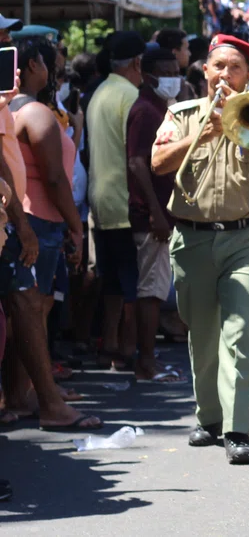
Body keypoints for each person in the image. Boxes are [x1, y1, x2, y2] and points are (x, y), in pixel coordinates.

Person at [151, 34, 249, 464]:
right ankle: (208, 417)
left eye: (235, 68)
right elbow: (157, 163)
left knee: (239, 331)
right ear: (204, 71)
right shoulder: (180, 114)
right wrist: (205, 131)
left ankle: (237, 430)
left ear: (248, 75)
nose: (225, 75)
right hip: (193, 238)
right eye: (219, 66)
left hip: (244, 238)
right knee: (203, 335)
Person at [0, 41, 97, 431]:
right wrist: (73, 226)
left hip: (22, 223)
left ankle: (27, 397)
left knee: (28, 309)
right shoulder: (34, 112)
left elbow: (6, 164)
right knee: (29, 309)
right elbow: (54, 178)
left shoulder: (11, 109)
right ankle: (44, 401)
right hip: (33, 223)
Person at [125, 47, 186, 383]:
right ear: (149, 75)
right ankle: (146, 362)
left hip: (158, 213)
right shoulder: (146, 110)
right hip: (151, 218)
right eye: (168, 72)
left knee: (155, 288)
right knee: (151, 291)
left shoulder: (159, 107)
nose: (174, 78)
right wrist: (156, 213)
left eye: (176, 71)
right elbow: (137, 162)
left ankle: (147, 358)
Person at [86, 31, 146, 370]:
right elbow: (136, 155)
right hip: (124, 201)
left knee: (111, 280)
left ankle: (110, 344)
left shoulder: (100, 92)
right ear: (137, 63)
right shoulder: (129, 95)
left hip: (101, 199)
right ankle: (127, 347)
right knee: (130, 282)